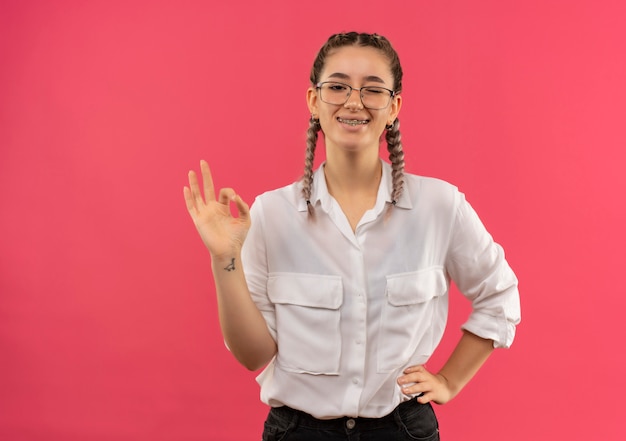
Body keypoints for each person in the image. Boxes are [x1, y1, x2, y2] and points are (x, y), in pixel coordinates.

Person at [184, 32, 520, 441]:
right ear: (314, 101)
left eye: (373, 90)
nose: (354, 101)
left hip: (402, 429)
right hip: (298, 431)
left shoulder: (440, 206)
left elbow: (499, 295)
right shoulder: (270, 214)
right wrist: (224, 259)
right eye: (338, 86)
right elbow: (253, 355)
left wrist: (450, 380)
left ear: (394, 107)